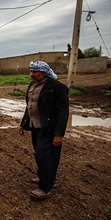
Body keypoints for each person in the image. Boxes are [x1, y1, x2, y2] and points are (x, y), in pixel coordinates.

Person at [19, 61, 69, 200]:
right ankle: (48, 178)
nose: (32, 74)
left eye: (35, 72)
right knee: (40, 154)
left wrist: (59, 134)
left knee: (44, 156)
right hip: (35, 126)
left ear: (44, 72)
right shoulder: (32, 85)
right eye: (31, 71)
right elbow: (29, 106)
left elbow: (63, 112)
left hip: (49, 129)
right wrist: (23, 123)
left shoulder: (57, 88)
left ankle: (44, 187)